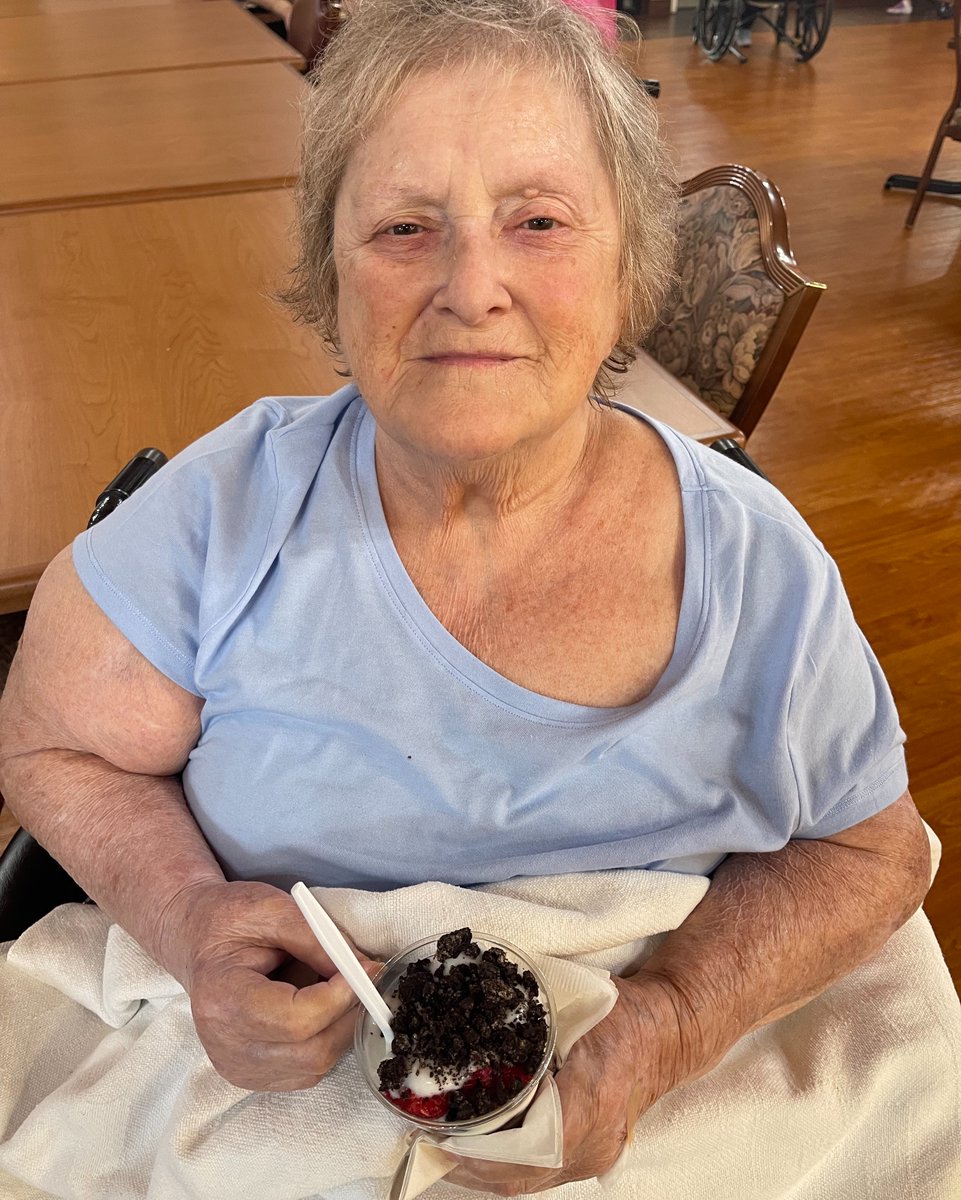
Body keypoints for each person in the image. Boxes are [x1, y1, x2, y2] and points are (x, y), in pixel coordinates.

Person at [0, 0, 940, 1194]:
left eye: (538, 221)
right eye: (403, 227)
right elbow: (56, 748)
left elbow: (869, 854)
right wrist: (192, 920)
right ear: (327, 274)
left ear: (626, 271)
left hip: (659, 1088)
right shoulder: (225, 509)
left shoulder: (755, 564)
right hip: (274, 1076)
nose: (471, 286)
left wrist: (665, 1026)